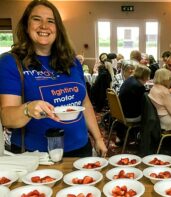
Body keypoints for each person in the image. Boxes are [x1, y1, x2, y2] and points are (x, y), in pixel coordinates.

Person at [0, 0, 107, 156]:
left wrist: (98, 138)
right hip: (37, 154)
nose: (44, 25)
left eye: (51, 21)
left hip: (80, 147)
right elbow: (7, 117)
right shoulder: (11, 62)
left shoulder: (72, 61)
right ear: (26, 25)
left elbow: (85, 103)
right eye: (36, 19)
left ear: (58, 29)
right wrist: (28, 109)